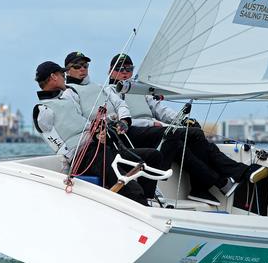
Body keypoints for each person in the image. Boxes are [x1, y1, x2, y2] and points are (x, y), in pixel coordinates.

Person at [107, 53, 253, 206]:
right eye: (120, 69)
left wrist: (183, 120)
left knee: (191, 133)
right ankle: (228, 176)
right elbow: (118, 118)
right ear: (110, 71)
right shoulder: (109, 92)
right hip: (134, 134)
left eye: (129, 69)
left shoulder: (139, 91)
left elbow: (160, 110)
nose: (125, 72)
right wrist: (149, 124)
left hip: (156, 132)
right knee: (194, 134)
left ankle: (203, 187)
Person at [32, 60, 162, 206]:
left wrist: (96, 134)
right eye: (62, 74)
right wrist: (72, 159)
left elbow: (83, 125)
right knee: (133, 189)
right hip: (85, 157)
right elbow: (55, 142)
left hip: (100, 149)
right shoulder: (43, 110)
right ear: (54, 77)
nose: (64, 76)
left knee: (153, 156)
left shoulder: (66, 100)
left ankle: (148, 200)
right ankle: (143, 209)